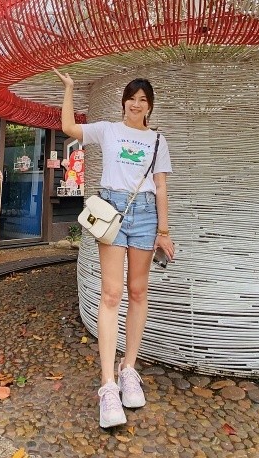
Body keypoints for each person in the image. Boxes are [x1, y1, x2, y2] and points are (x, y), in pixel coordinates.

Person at [54, 70, 175, 429]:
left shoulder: (156, 141)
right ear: (123, 100)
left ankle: (129, 370)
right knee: (111, 293)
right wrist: (70, 90)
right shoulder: (107, 129)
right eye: (132, 98)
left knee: (138, 292)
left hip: (145, 215)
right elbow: (68, 129)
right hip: (112, 212)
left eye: (143, 100)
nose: (136, 104)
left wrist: (164, 231)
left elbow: (161, 187)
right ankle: (107, 385)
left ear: (149, 106)